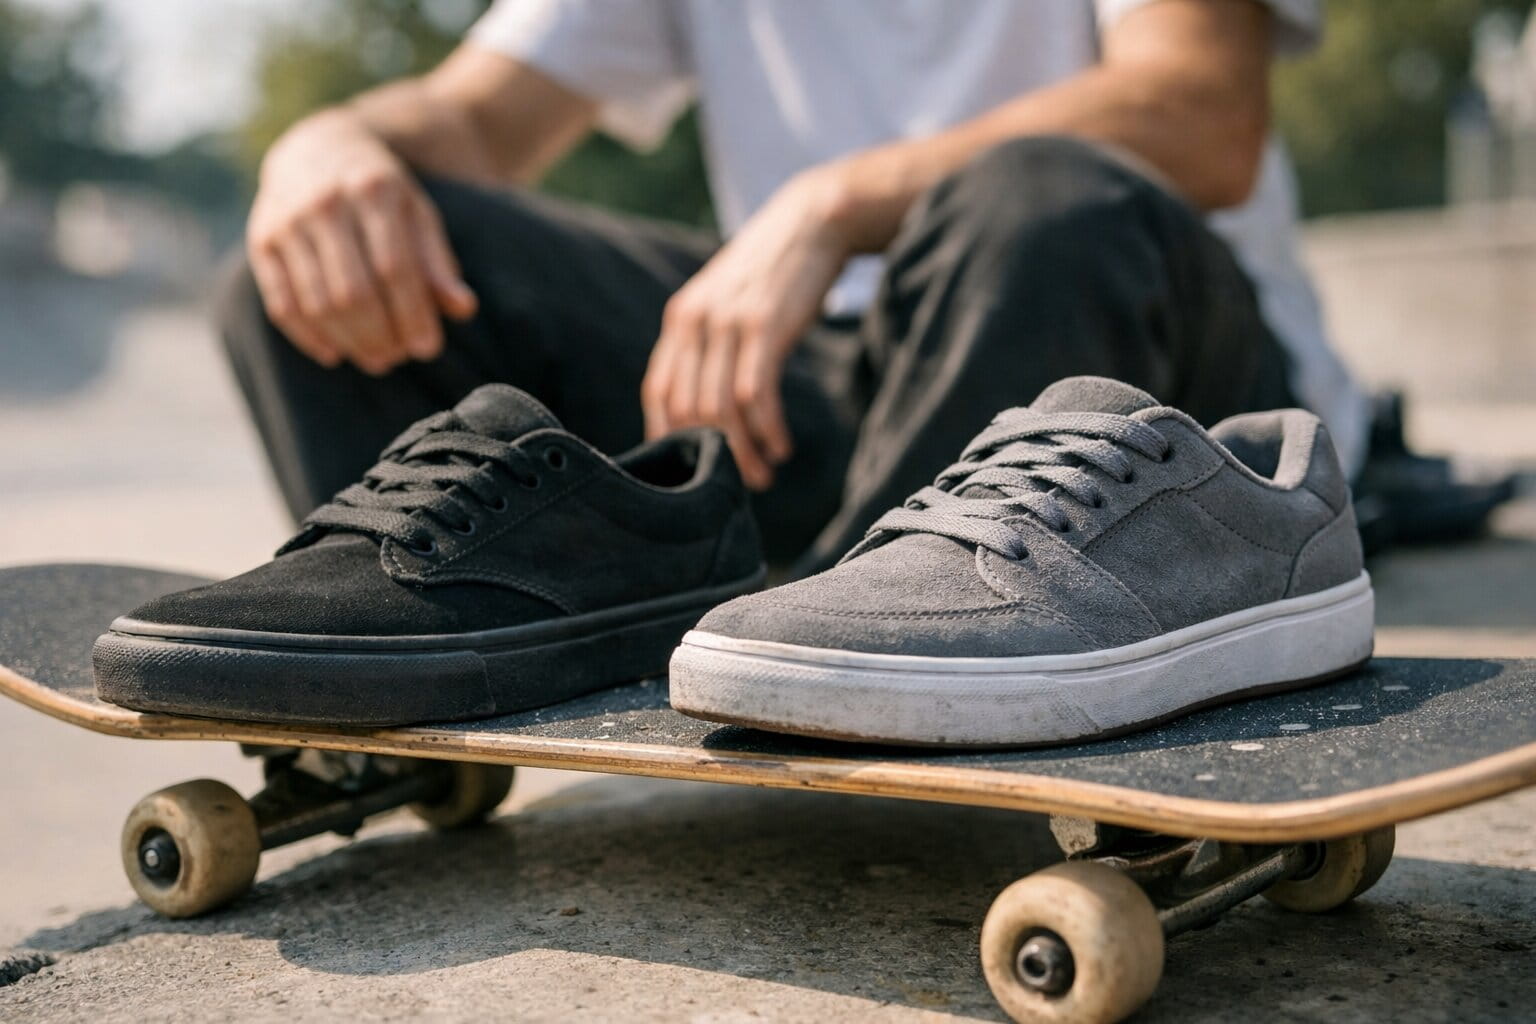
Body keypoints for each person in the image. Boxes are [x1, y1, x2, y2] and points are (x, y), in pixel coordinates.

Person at [221, 0, 1369, 577]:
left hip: (1142, 382)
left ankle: (875, 633)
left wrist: (832, 203)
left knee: (1044, 197)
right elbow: (473, 119)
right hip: (818, 391)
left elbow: (1200, 112)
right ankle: (454, 628)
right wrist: (327, 143)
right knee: (330, 244)